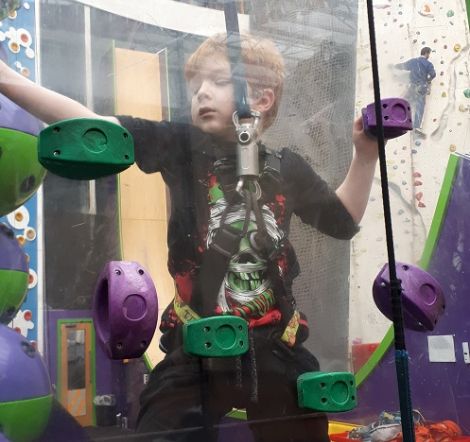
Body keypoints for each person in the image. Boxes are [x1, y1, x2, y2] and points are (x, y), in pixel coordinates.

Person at [0, 33, 379, 441]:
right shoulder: (182, 146)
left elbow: (341, 222)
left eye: (217, 81)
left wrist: (366, 153)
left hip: (277, 344)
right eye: (196, 85)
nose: (201, 93)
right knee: (161, 428)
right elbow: (97, 128)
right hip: (196, 344)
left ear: (263, 99)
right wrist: (6, 79)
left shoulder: (287, 168)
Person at [395, 47, 436, 135]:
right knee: (420, 106)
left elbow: (403, 66)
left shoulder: (413, 61)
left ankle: (395, 115)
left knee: (405, 101)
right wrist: (428, 80)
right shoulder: (428, 64)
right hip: (421, 87)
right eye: (429, 53)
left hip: (412, 86)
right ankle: (416, 127)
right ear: (426, 53)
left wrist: (394, 66)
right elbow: (433, 74)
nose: (429, 55)